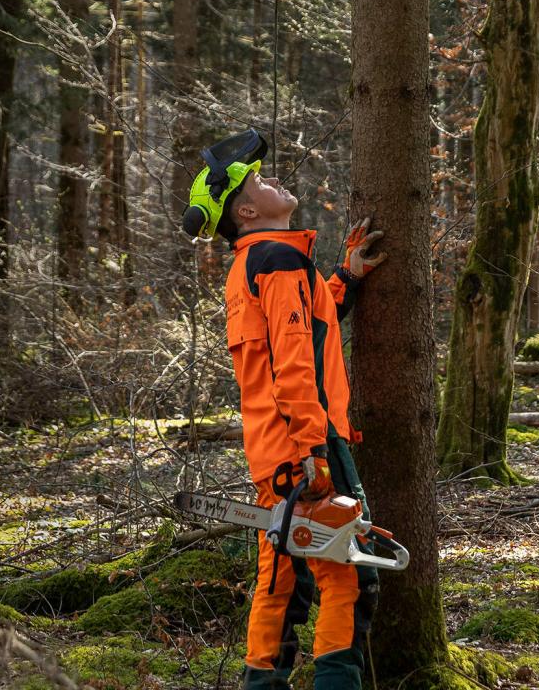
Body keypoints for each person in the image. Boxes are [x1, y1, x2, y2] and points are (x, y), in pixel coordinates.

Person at [182, 128, 387, 690]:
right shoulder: (277, 259)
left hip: (271, 450)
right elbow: (294, 364)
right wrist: (313, 451)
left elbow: (302, 328)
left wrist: (344, 278)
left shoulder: (255, 265)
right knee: (349, 575)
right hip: (305, 443)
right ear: (246, 209)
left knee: (280, 578)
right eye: (258, 179)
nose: (271, 179)